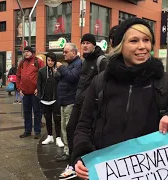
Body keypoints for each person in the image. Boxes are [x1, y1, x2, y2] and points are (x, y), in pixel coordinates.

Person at [71, 18, 168, 179]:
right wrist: (82, 156)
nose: (142, 46)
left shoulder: (165, 83)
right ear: (121, 46)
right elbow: (83, 126)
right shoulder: (101, 82)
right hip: (106, 173)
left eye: (147, 40)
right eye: (134, 41)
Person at [58, 34, 108, 179]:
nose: (85, 45)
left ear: (94, 45)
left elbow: (105, 84)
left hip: (93, 104)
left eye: (88, 43)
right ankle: (74, 163)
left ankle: (86, 163)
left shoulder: (101, 60)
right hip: (79, 102)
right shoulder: (85, 61)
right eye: (83, 43)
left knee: (88, 133)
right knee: (71, 128)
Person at [55, 43, 82, 172]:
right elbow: (61, 78)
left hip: (70, 101)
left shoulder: (78, 64)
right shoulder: (70, 65)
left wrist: (61, 68)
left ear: (74, 52)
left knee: (68, 128)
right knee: (64, 128)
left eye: (66, 52)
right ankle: (67, 151)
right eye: (63, 52)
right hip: (64, 101)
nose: (64, 54)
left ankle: (71, 152)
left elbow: (73, 77)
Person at [17, 46, 45, 139]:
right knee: (26, 112)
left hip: (35, 92)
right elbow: (18, 76)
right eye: (25, 51)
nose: (26, 53)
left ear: (32, 52)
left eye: (28, 51)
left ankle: (37, 131)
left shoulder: (38, 61)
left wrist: (39, 88)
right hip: (25, 92)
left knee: (37, 111)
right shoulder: (22, 63)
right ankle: (27, 131)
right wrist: (19, 88)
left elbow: (43, 75)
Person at [37, 52, 64, 147]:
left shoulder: (58, 71)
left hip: (55, 99)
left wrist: (57, 73)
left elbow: (61, 81)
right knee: (47, 118)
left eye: (52, 60)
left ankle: (58, 138)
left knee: (57, 119)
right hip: (44, 99)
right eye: (48, 60)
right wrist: (40, 96)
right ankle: (50, 136)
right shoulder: (41, 71)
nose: (50, 62)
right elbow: (39, 84)